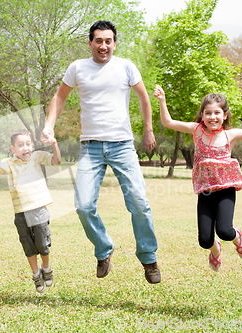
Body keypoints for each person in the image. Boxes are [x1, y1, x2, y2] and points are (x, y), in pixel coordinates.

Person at [41, 20, 161, 284]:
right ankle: (104, 248)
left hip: (122, 146)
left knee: (139, 203)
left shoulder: (126, 66)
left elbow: (143, 97)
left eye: (108, 41)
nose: (103, 46)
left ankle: (149, 257)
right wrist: (49, 125)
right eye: (98, 41)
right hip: (91, 147)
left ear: (114, 43)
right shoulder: (77, 68)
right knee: (83, 206)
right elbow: (59, 97)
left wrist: (148, 130)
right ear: (90, 43)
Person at [153, 85, 242, 272]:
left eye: (216, 113)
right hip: (205, 190)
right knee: (205, 240)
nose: (212, 117)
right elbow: (168, 122)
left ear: (224, 115)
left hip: (226, 189)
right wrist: (162, 100)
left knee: (224, 230)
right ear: (202, 115)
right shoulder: (196, 131)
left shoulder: (230, 135)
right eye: (208, 113)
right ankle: (216, 250)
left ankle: (237, 236)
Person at [0, 129, 61, 293]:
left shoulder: (37, 157)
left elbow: (56, 160)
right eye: (20, 145)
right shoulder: (8, 163)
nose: (26, 148)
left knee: (43, 244)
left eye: (28, 144)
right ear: (13, 148)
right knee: (28, 246)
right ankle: (36, 274)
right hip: (20, 212)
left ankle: (46, 268)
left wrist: (54, 144)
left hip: (38, 209)